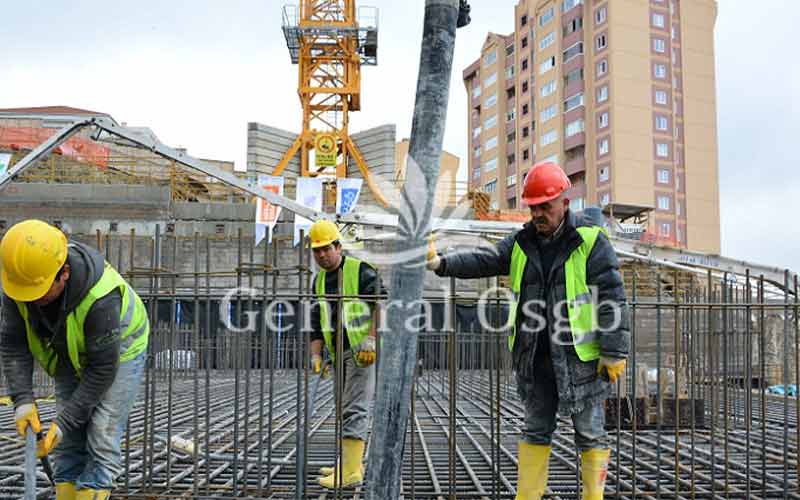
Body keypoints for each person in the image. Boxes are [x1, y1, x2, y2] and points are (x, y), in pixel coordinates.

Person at [427, 162, 630, 500]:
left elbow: (612, 298)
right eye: (533, 207)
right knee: (535, 431)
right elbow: (486, 259)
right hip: (535, 359)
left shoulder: (591, 241)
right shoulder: (522, 242)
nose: (537, 214)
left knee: (590, 433)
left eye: (544, 206)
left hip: (580, 361)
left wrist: (614, 350)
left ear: (565, 202)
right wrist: (442, 263)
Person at [0, 220, 149, 500]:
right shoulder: (19, 284)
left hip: (120, 352)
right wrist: (23, 400)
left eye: (40, 292)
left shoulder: (100, 298)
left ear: (64, 273)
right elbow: (13, 344)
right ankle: (67, 491)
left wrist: (65, 421)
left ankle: (95, 489)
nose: (32, 300)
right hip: (66, 350)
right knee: (67, 442)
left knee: (102, 432)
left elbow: (102, 369)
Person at [307, 219, 383, 489]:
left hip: (361, 351)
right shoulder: (318, 281)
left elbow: (380, 303)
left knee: (354, 407)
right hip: (337, 352)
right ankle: (351, 462)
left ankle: (350, 472)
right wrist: (316, 355)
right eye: (317, 250)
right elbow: (315, 322)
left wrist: (371, 340)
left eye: (327, 248)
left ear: (338, 247)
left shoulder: (360, 270)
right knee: (343, 407)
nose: (322, 255)